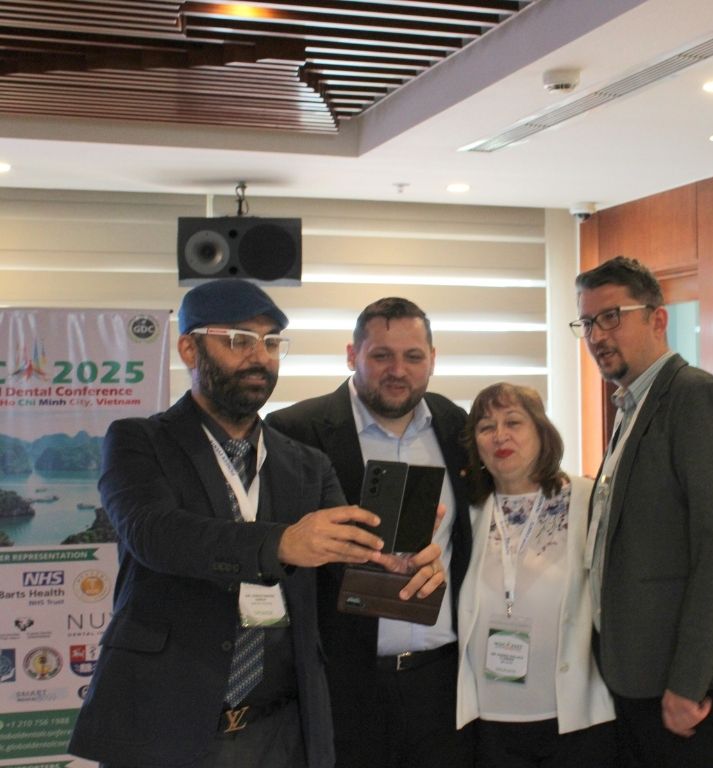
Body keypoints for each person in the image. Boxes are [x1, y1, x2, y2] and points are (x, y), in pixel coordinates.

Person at [68, 280, 443, 768]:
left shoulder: (306, 464)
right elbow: (155, 534)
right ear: (189, 349)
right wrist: (282, 543)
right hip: (166, 723)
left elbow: (346, 567)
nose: (259, 357)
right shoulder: (139, 441)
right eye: (238, 340)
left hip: (281, 730)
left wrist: (398, 570)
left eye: (270, 343)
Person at [572, 256, 713, 767]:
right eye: (586, 322)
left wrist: (689, 682)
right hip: (643, 677)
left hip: (698, 690)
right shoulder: (632, 406)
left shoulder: (698, 400)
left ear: (658, 318)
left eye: (611, 317)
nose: (597, 335)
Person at [267, 296, 474, 767]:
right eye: (381, 355)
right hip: (342, 686)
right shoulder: (293, 430)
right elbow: (274, 552)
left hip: (443, 684)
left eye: (413, 356)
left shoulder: (456, 426)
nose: (397, 370)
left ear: (432, 359)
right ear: (351, 355)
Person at [455, 383, 616, 767]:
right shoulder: (468, 513)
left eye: (513, 422)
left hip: (575, 723)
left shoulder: (587, 500)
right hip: (488, 726)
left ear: (542, 432)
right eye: (486, 427)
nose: (500, 436)